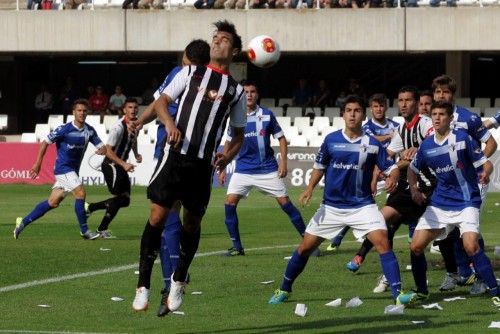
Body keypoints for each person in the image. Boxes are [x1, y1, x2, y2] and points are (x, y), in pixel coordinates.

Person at [132, 20, 247, 314]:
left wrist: (227, 156)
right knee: (157, 217)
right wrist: (169, 122)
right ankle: (142, 284)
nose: (217, 42)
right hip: (174, 158)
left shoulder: (236, 91)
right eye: (215, 37)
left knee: (192, 224)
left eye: (224, 39)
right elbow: (161, 102)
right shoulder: (189, 72)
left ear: (233, 51)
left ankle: (179, 280)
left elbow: (238, 135)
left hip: (201, 166)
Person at [268, 95, 410, 306]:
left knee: (383, 242)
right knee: (305, 248)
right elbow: (319, 167)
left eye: (357, 110)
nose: (353, 114)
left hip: (362, 205)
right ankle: (284, 288)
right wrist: (309, 188)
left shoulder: (371, 144)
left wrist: (392, 177)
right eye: (349, 110)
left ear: (363, 115)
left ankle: (398, 294)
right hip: (331, 207)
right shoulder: (331, 140)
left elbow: (390, 167)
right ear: (343, 114)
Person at [132, 39, 211, 317]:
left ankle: (171, 282)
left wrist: (143, 122)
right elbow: (159, 102)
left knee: (169, 218)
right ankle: (172, 283)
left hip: (177, 150)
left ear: (185, 58)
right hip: (182, 153)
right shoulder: (190, 76)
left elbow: (158, 103)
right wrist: (141, 122)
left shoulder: (182, 73)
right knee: (171, 219)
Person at [397, 100, 498, 306]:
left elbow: (485, 164)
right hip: (440, 204)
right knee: (416, 246)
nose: (436, 118)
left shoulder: (463, 139)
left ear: (450, 119)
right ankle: (422, 291)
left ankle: (495, 291)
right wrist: (414, 189)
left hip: (466, 201)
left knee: (470, 246)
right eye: (434, 114)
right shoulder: (427, 145)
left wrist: (485, 175)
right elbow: (412, 169)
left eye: (442, 114)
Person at [343, 87, 434, 295]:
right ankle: (381, 269)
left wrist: (418, 151)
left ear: (417, 102)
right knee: (380, 222)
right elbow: (388, 155)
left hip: (431, 186)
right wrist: (376, 177)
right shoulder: (401, 129)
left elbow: (433, 142)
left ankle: (462, 272)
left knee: (448, 238)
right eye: (400, 100)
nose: (403, 104)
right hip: (406, 186)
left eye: (408, 100)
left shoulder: (426, 123)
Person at [218, 80, 312, 257]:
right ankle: (237, 247)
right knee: (229, 204)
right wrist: (222, 167)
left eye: (252, 91)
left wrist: (283, 162)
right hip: (243, 169)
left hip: (267, 169)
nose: (249, 95)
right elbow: (229, 142)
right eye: (246, 92)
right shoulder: (236, 118)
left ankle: (308, 244)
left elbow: (282, 139)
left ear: (257, 94)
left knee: (286, 204)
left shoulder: (267, 115)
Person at [431, 74, 497, 292]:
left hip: (472, 183)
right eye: (438, 92)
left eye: (446, 92)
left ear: (453, 94)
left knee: (470, 230)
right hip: (448, 184)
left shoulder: (468, 118)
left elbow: (491, 143)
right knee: (445, 230)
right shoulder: (432, 119)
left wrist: (478, 165)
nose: (442, 95)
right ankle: (461, 272)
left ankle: (480, 277)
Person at [14, 99, 106, 240]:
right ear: (73, 112)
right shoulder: (64, 129)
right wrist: (37, 164)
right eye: (79, 110)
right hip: (63, 169)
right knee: (80, 193)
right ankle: (85, 231)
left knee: (53, 202)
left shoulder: (89, 131)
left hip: (73, 171)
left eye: (84, 111)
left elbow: (102, 146)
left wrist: (102, 150)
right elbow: (45, 142)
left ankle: (23, 222)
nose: (82, 113)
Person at [325, 93, 399, 253]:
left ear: (386, 107)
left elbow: (397, 144)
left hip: (388, 172)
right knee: (354, 206)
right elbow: (371, 143)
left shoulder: (395, 125)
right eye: (375, 106)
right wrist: (388, 136)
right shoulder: (365, 127)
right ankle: (338, 238)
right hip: (369, 174)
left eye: (381, 105)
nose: (379, 109)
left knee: (394, 213)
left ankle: (387, 247)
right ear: (370, 109)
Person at [85, 98, 142, 239]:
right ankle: (101, 227)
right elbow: (108, 151)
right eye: (130, 107)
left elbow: (133, 140)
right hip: (111, 165)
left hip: (120, 166)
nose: (133, 110)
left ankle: (91, 208)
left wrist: (136, 153)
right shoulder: (118, 128)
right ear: (124, 110)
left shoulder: (135, 126)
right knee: (120, 198)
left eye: (135, 107)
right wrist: (124, 164)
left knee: (125, 200)